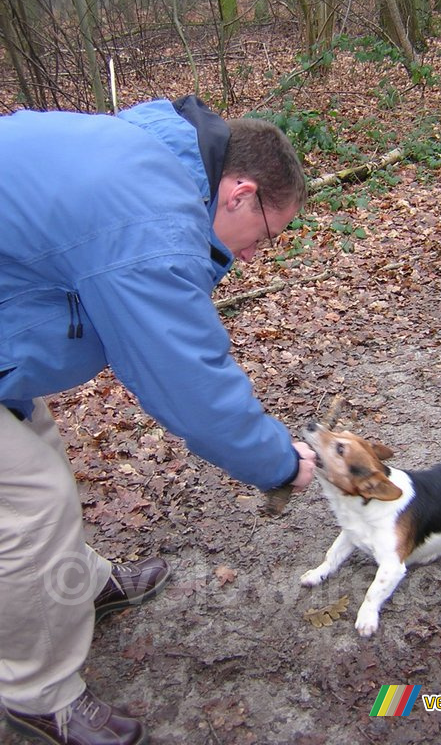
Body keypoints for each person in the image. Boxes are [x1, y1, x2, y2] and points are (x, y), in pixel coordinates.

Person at [0, 95, 317, 745]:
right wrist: (279, 462)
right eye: (266, 235)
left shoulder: (155, 158)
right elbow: (186, 383)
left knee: (35, 451)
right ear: (238, 192)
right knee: (33, 499)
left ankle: (73, 584)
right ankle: (34, 692)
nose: (258, 256)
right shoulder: (149, 217)